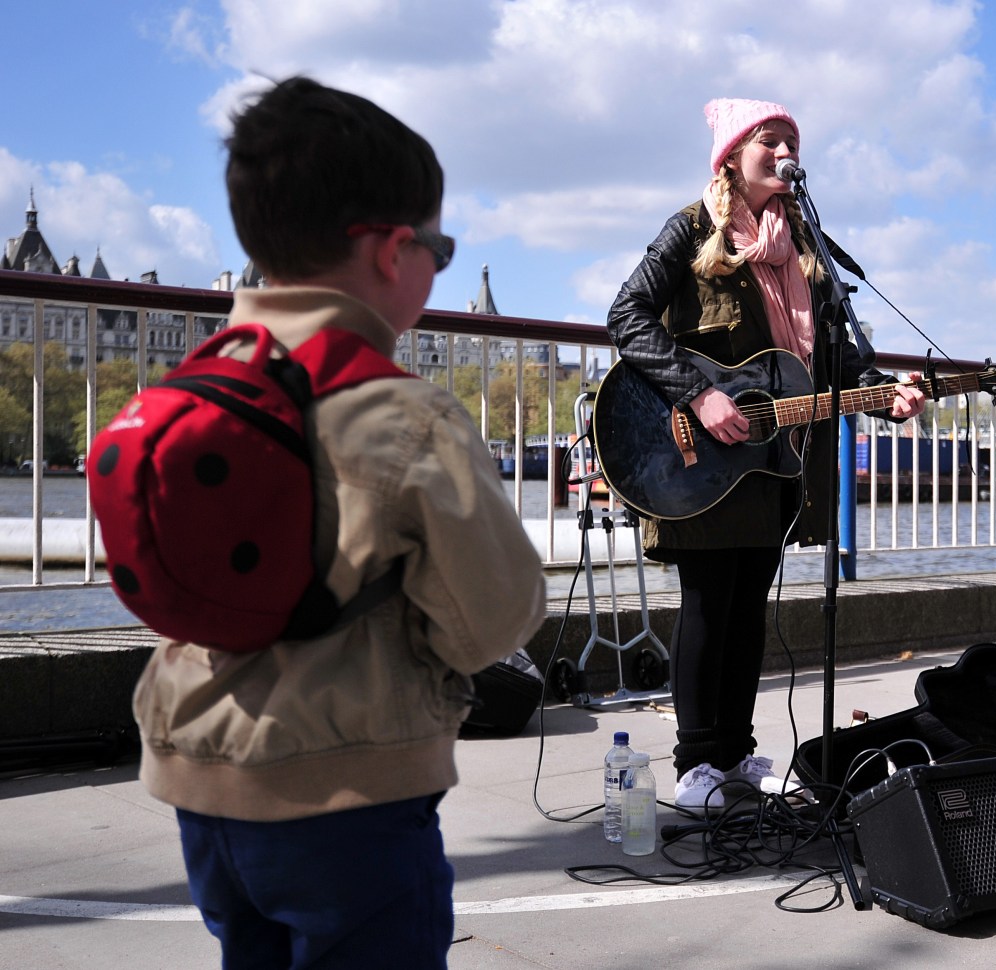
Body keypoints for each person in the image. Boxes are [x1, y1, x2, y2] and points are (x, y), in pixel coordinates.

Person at [130, 77, 548, 968]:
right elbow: (493, 621)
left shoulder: (190, 388)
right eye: (441, 247)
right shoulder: (408, 417)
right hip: (349, 793)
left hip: (199, 782)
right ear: (395, 252)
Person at [606, 98, 926, 810]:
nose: (784, 151)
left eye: (791, 141)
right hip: (695, 450)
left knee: (749, 604)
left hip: (769, 456)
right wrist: (698, 395)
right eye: (769, 140)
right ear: (732, 156)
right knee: (710, 602)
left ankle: (735, 752)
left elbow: (836, 353)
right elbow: (625, 315)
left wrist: (884, 391)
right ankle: (695, 766)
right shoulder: (692, 227)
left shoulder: (805, 246)